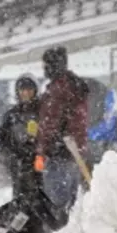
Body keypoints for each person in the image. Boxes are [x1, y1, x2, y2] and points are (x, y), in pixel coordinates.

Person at [35, 46, 89, 217]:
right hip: (73, 151)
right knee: (70, 202)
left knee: (56, 205)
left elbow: (49, 124)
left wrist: (42, 150)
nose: (44, 69)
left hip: (58, 152)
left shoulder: (58, 90)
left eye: (46, 65)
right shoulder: (75, 86)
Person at [0, 74, 41, 204]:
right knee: (20, 198)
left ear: (35, 91)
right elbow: (1, 139)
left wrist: (38, 152)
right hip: (18, 164)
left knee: (38, 198)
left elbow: (49, 136)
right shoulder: (11, 115)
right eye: (23, 90)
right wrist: (12, 155)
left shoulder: (42, 113)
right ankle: (20, 222)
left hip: (38, 164)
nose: (26, 93)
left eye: (29, 89)